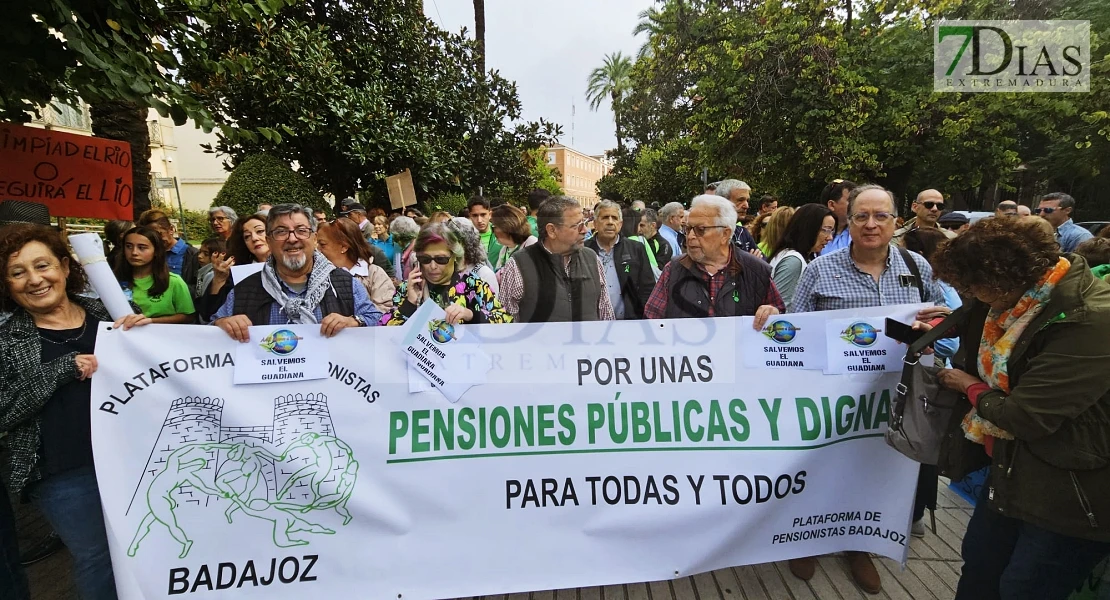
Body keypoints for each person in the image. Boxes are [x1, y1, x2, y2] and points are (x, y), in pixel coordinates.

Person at [923, 217, 1110, 600]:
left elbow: (1026, 416)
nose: (968, 294)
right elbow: (982, 318)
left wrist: (969, 385)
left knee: (1024, 587)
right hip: (1012, 472)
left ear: (1006, 278)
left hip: (1070, 495)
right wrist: (948, 322)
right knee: (979, 570)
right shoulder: (1022, 300)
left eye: (972, 286)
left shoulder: (1089, 319)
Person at [788, 185, 946, 594]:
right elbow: (794, 330)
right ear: (848, 220)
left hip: (895, 396)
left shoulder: (918, 268)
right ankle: (808, 537)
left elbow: (945, 326)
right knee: (822, 466)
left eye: (880, 216)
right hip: (833, 396)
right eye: (861, 216)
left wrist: (931, 331)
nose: (871, 225)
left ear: (897, 221)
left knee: (876, 471)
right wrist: (771, 316)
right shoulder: (820, 270)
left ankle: (859, 544)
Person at [0, 224, 150, 600]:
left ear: (65, 267)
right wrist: (61, 370)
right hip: (63, 473)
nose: (34, 280)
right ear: (7, 284)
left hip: (133, 459)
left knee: (146, 548)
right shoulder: (7, 339)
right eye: (18, 273)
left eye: (43, 265)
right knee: (97, 556)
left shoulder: (111, 314)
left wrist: (147, 335)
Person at [211, 204, 382, 341]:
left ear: (314, 238)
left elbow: (376, 319)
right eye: (281, 232)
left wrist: (354, 321)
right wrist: (222, 324)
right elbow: (206, 334)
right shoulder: (245, 290)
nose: (292, 239)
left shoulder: (344, 283)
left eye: (301, 230)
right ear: (269, 241)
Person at [643, 195, 785, 321]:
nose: (690, 236)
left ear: (725, 234)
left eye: (701, 230)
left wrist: (772, 312)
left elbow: (780, 315)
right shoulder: (673, 270)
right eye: (688, 229)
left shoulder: (755, 270)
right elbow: (652, 320)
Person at [497, 196, 615, 322]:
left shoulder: (592, 259)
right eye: (577, 225)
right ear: (552, 230)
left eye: (584, 223)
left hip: (587, 341)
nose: (585, 230)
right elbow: (506, 324)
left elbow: (606, 316)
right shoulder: (518, 265)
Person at [382, 222, 510, 325]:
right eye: (425, 260)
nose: (432, 266)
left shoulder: (473, 285)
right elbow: (384, 329)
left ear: (455, 256)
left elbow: (505, 320)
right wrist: (409, 303)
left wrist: (469, 314)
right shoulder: (409, 287)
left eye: (441, 259)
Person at [584, 200, 657, 320]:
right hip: (593, 325)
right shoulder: (584, 250)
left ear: (621, 224)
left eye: (614, 218)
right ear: (595, 223)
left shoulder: (636, 248)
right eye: (605, 217)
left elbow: (648, 287)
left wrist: (640, 316)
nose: (610, 222)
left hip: (629, 324)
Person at [196, 212, 271, 323]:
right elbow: (209, 315)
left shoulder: (293, 265)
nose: (254, 238)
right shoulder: (238, 273)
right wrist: (219, 280)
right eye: (247, 236)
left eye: (260, 231)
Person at [114, 227, 196, 323]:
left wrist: (151, 321)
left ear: (156, 251)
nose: (134, 252)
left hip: (161, 335)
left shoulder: (173, 281)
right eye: (129, 246)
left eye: (142, 247)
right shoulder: (113, 280)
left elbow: (188, 316)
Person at [317, 219, 396, 313]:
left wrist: (356, 321)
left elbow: (384, 311)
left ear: (343, 247)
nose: (318, 249)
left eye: (322, 244)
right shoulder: (316, 275)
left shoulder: (374, 274)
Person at [769, 204, 835, 312]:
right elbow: (779, 308)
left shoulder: (800, 257)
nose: (830, 237)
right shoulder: (794, 261)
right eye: (825, 230)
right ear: (808, 228)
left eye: (832, 231)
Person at [137, 208, 201, 293]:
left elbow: (199, 288)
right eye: (150, 236)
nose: (155, 239)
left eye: (158, 234)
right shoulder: (148, 254)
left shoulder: (193, 254)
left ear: (171, 229)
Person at [713, 179, 762, 255]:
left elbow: (763, 262)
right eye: (740, 200)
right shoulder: (708, 232)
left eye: (747, 200)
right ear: (722, 201)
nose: (746, 206)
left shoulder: (742, 232)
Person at [893, 188, 957, 246]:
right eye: (929, 205)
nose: (934, 209)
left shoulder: (952, 239)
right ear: (915, 207)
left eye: (940, 206)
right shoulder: (895, 237)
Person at [490, 204, 538, 272]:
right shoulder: (504, 249)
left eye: (494, 226)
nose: (493, 230)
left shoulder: (532, 244)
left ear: (506, 227)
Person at [819, 179, 857, 255]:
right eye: (851, 201)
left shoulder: (859, 232)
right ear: (832, 205)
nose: (856, 205)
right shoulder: (813, 233)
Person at [467, 195, 503, 265]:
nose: (479, 220)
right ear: (470, 216)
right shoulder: (464, 237)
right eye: (475, 215)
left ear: (490, 215)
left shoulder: (503, 234)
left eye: (483, 215)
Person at [637, 209, 674, 273]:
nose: (639, 229)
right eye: (637, 225)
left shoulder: (663, 245)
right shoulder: (637, 240)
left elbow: (659, 272)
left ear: (653, 225)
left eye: (642, 225)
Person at [389, 216, 421, 283]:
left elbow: (417, 281)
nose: (394, 240)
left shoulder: (415, 254)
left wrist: (401, 285)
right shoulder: (405, 249)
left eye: (395, 237)